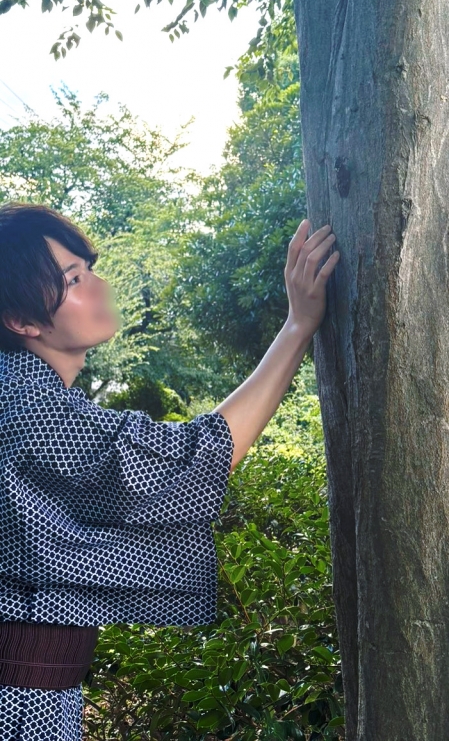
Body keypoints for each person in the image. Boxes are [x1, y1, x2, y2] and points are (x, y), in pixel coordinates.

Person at [0, 201, 340, 740]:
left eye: (88, 268)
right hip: (19, 705)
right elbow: (193, 459)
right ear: (20, 320)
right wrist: (298, 325)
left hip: (39, 691)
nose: (99, 285)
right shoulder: (26, 407)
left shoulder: (22, 394)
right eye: (73, 279)